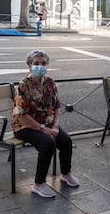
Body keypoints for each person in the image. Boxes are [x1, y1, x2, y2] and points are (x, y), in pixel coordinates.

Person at [12, 50, 79, 198]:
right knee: (48, 143)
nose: (40, 66)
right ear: (29, 66)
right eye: (36, 63)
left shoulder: (50, 82)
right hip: (25, 126)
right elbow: (22, 115)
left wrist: (55, 125)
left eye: (43, 63)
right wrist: (43, 129)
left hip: (47, 124)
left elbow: (57, 106)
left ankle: (65, 173)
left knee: (66, 140)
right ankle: (38, 184)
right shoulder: (23, 85)